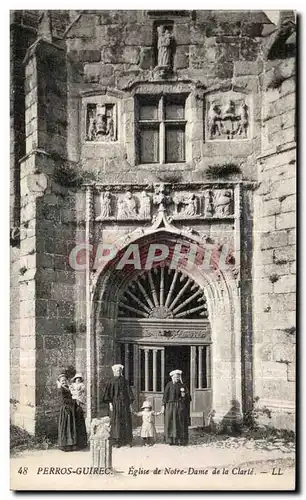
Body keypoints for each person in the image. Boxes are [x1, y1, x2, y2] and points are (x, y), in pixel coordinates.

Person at [102, 364, 134, 447]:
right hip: (115, 404)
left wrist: (130, 404)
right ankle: (116, 441)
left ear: (121, 371)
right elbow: (108, 394)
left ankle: (127, 441)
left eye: (119, 370)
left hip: (125, 404)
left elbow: (129, 393)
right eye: (116, 370)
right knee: (116, 422)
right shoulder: (111, 382)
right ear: (113, 372)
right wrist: (110, 404)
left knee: (126, 421)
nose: (118, 372)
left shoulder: (125, 381)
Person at [57, 372, 87, 452]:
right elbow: (63, 400)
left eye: (65, 380)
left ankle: (74, 444)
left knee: (72, 426)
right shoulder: (61, 389)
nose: (64, 381)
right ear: (59, 381)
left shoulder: (67, 387)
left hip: (71, 408)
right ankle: (66, 445)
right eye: (62, 380)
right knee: (67, 427)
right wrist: (75, 401)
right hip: (66, 408)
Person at [162, 369, 191, 446]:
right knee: (171, 423)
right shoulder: (169, 385)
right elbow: (165, 396)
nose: (177, 378)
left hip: (180, 407)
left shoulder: (183, 385)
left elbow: (188, 397)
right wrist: (163, 406)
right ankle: (171, 440)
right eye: (175, 377)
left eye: (178, 377)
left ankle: (181, 441)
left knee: (180, 423)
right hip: (170, 407)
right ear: (172, 377)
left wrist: (184, 396)